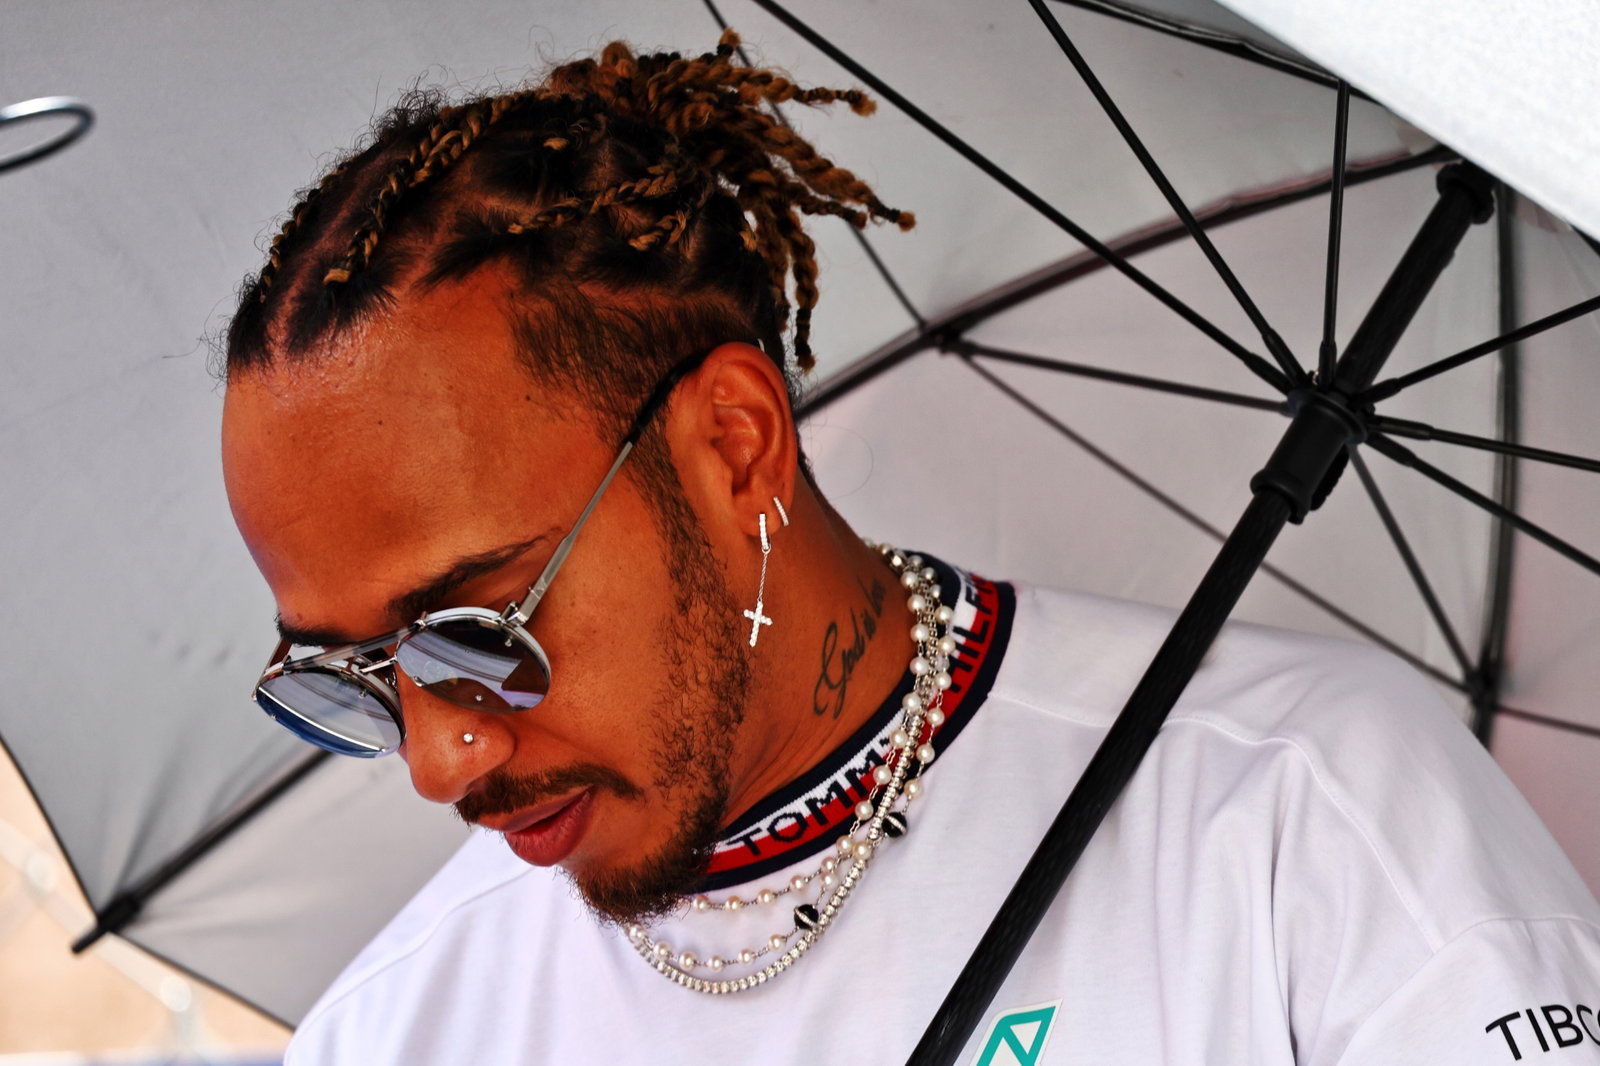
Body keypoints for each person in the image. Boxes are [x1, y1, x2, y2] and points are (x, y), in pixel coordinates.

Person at [220, 32, 1600, 1066]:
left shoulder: (1312, 813)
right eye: (351, 674)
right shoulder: (393, 1035)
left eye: (476, 631)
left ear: (736, 444)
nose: (435, 755)